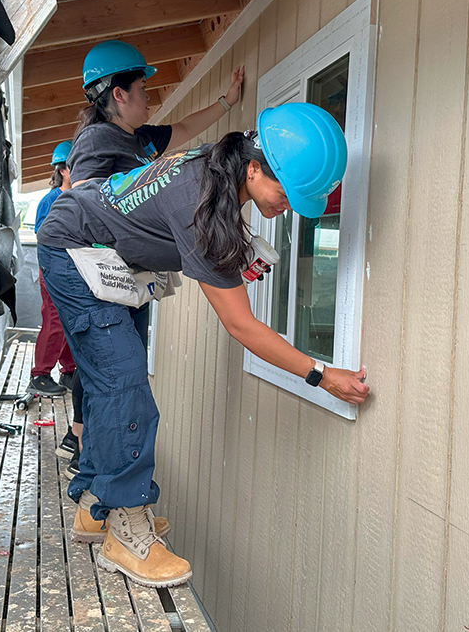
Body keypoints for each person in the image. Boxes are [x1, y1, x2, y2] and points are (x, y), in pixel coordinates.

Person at [37, 102, 370, 588]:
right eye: (287, 193)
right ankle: (125, 526)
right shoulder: (199, 204)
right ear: (254, 169)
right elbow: (242, 326)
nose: (290, 207)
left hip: (104, 247)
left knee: (111, 375)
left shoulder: (219, 168)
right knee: (124, 379)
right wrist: (320, 374)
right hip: (73, 247)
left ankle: (95, 505)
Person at [52, 38, 244, 481]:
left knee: (124, 374)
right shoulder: (97, 139)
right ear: (118, 94)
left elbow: (182, 129)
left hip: (129, 280)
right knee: (117, 378)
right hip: (103, 279)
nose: (149, 96)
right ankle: (95, 472)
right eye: (141, 87)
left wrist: (226, 102)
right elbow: (88, 203)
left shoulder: (138, 139)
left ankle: (94, 482)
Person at [27, 142, 76, 400]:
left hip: (71, 269)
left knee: (68, 319)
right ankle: (39, 376)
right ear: (64, 170)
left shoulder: (76, 197)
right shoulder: (51, 200)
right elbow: (43, 236)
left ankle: (68, 371)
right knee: (55, 319)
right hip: (54, 268)